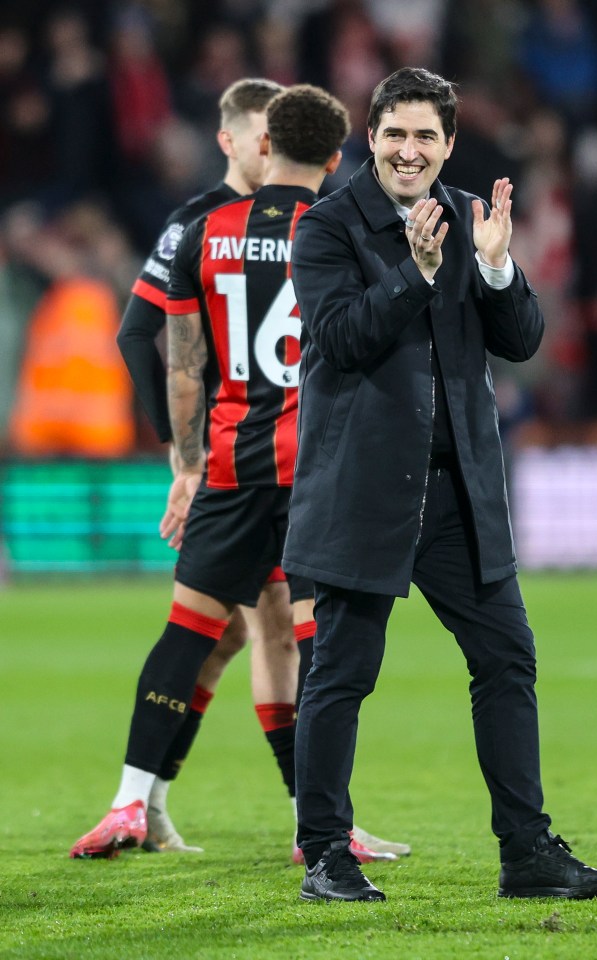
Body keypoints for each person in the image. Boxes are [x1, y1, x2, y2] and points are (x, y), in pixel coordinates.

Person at [282, 67, 597, 902]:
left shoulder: (473, 216)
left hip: (459, 492)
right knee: (341, 671)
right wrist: (418, 270)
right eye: (395, 133)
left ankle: (528, 855)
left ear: (449, 144)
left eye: (425, 136)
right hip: (365, 487)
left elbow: (522, 342)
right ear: (372, 138)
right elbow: (342, 339)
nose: (409, 150)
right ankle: (326, 854)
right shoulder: (329, 227)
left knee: (507, 657)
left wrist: (501, 269)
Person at [71, 82, 407, 862]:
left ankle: (129, 802)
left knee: (192, 633)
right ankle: (320, 826)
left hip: (227, 462)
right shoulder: (341, 228)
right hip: (315, 470)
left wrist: (185, 461)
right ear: (335, 155)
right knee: (311, 644)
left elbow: (179, 361)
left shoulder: (204, 230)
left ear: (263, 146)